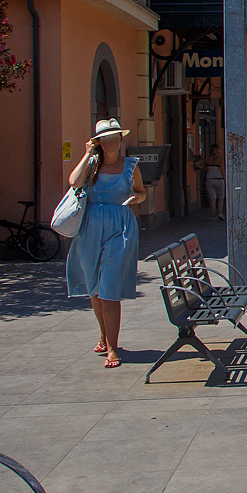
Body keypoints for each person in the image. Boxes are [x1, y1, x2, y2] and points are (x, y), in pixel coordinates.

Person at [67, 118, 145, 368]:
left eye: (116, 138)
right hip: (90, 227)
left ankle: (113, 347)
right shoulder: (91, 165)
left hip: (120, 226)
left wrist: (135, 198)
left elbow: (142, 191)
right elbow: (74, 182)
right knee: (94, 288)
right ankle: (103, 332)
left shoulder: (130, 165)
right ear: (99, 142)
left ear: (120, 141)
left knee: (110, 289)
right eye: (107, 139)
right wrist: (87, 153)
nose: (113, 143)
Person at [197, 145, 226, 219]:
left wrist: (203, 168)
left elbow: (196, 163)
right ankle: (219, 213)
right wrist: (225, 179)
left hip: (209, 180)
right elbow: (222, 170)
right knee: (220, 198)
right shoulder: (219, 159)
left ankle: (213, 215)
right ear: (218, 151)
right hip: (219, 180)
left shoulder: (207, 159)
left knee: (212, 199)